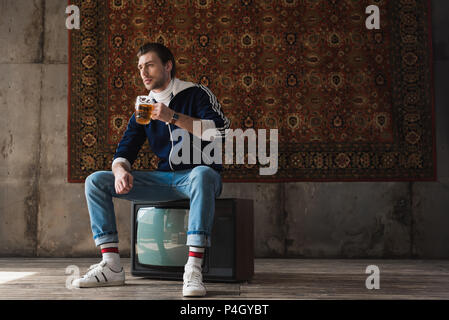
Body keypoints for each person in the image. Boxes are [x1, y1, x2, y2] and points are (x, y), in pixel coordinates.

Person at [72, 42, 231, 297]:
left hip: (197, 178)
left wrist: (172, 117)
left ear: (168, 66)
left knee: (202, 173)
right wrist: (120, 170)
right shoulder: (143, 108)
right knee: (95, 181)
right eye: (140, 67)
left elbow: (221, 133)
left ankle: (193, 269)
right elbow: (124, 151)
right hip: (162, 180)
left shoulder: (196, 94)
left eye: (150, 65)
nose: (143, 72)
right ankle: (111, 265)